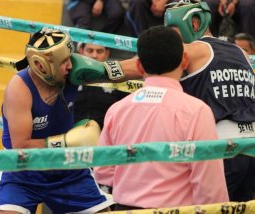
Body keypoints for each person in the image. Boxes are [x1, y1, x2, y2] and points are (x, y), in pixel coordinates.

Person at [0, 29, 144, 213]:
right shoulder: (19, 89)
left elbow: (121, 70)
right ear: (43, 65)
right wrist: (66, 141)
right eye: (64, 62)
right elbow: (21, 145)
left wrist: (161, 60)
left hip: (67, 167)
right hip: (22, 172)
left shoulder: (74, 71)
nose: (71, 65)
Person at [94, 26, 229, 210]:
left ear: (139, 65)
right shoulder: (197, 111)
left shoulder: (117, 110)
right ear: (185, 60)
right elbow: (210, 187)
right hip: (176, 209)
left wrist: (133, 181)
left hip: (125, 208)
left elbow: (102, 171)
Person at [164, 0, 255, 202]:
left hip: (222, 149)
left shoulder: (195, 50)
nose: (172, 38)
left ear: (194, 24)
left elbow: (148, 60)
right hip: (251, 146)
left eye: (173, 30)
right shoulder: (240, 53)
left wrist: (103, 70)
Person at [75, 43, 128, 129]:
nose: (94, 55)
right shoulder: (67, 75)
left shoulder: (119, 79)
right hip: (71, 136)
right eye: (90, 50)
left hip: (106, 136)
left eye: (99, 51)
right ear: (81, 51)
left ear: (107, 53)